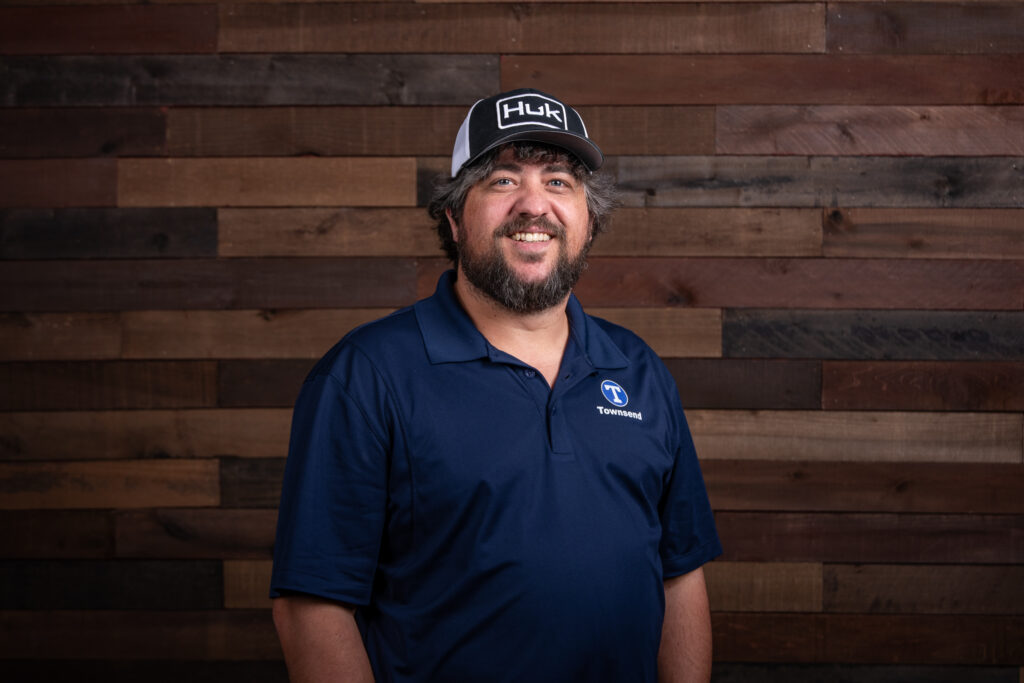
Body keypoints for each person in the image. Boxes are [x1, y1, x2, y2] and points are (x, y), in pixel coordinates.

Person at [270, 88, 722, 682]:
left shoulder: (637, 369)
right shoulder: (366, 376)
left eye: (559, 181)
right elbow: (312, 606)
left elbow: (680, 572)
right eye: (504, 180)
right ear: (455, 218)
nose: (534, 205)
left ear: (588, 218)